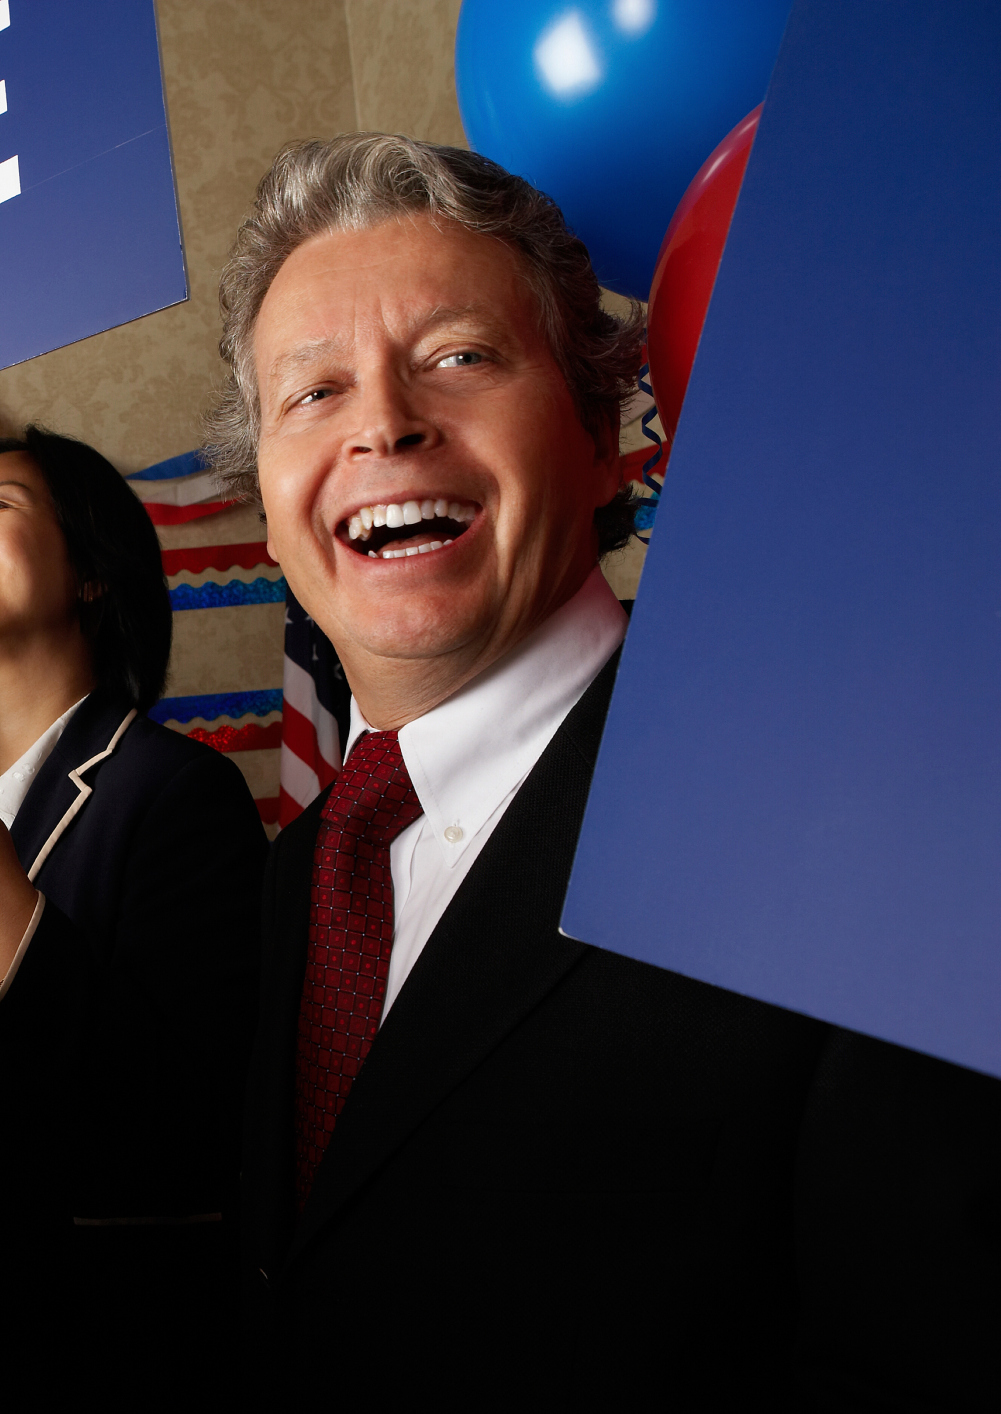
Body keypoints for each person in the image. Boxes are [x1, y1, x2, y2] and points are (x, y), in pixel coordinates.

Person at [215, 133, 1000, 1403]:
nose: (385, 427)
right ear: (267, 497)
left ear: (600, 435)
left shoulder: (837, 830)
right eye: (313, 393)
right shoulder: (307, 860)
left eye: (457, 359)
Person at [0, 427, 266, 1411]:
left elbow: (184, 1120)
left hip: (93, 1336)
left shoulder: (177, 792)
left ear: (94, 568)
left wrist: (2, 906)